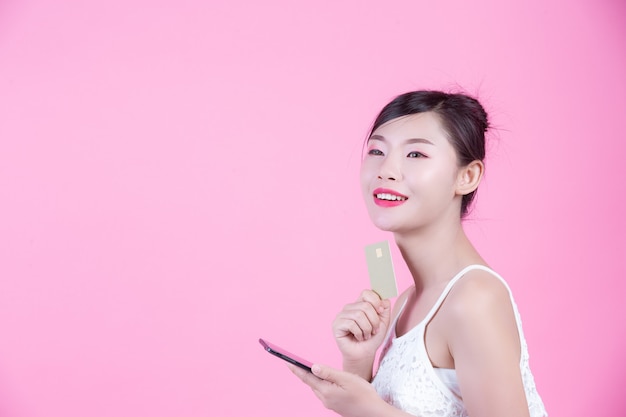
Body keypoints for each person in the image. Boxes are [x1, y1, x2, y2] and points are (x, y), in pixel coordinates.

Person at [290, 90, 547, 417]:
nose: (386, 170)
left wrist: (371, 410)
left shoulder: (474, 299)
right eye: (377, 150)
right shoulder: (408, 300)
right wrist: (359, 363)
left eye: (415, 155)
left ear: (466, 176)